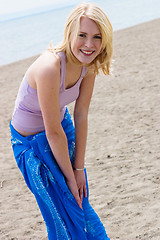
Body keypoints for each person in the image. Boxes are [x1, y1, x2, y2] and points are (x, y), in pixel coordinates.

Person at [10, 2, 113, 240]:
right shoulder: (49, 67)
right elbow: (51, 131)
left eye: (97, 37)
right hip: (31, 145)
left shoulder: (90, 66)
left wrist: (79, 169)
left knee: (80, 204)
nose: (89, 44)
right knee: (61, 211)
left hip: (61, 129)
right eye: (82, 35)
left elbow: (81, 114)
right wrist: (69, 176)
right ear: (69, 32)